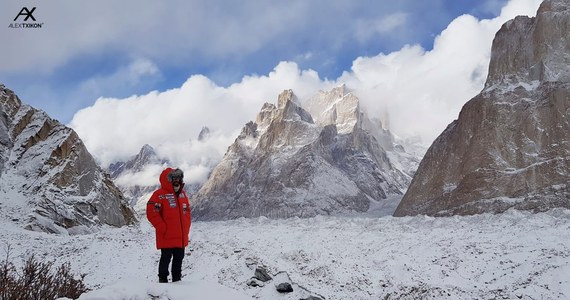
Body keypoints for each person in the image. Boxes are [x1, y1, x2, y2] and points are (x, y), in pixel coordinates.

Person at [146, 167, 192, 283]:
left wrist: (186, 226)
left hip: (180, 236)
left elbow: (187, 211)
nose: (176, 180)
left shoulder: (183, 195)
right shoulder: (159, 195)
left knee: (179, 259)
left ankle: (177, 281)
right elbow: (152, 212)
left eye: (178, 177)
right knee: (165, 259)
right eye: (173, 178)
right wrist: (162, 227)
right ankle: (162, 281)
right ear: (167, 180)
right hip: (166, 236)